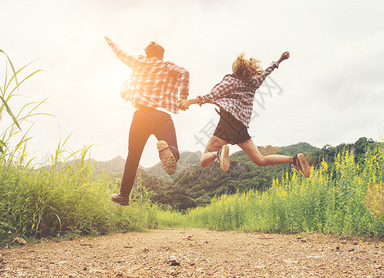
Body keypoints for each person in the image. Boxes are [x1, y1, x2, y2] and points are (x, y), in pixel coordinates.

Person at [178, 51, 310, 177]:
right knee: (260, 160)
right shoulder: (253, 83)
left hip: (228, 121)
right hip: (240, 127)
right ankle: (294, 159)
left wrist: (189, 101)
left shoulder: (231, 81)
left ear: (236, 68)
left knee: (204, 160)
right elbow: (266, 72)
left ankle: (217, 154)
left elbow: (212, 95)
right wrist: (280, 59)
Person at [105, 36, 190, 206]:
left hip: (140, 116)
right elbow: (184, 73)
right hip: (162, 115)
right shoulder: (167, 66)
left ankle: (123, 195)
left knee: (133, 156)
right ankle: (170, 152)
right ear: (161, 56)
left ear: (147, 53)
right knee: (174, 150)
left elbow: (120, 53)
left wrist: (111, 42)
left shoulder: (139, 62)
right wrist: (183, 97)